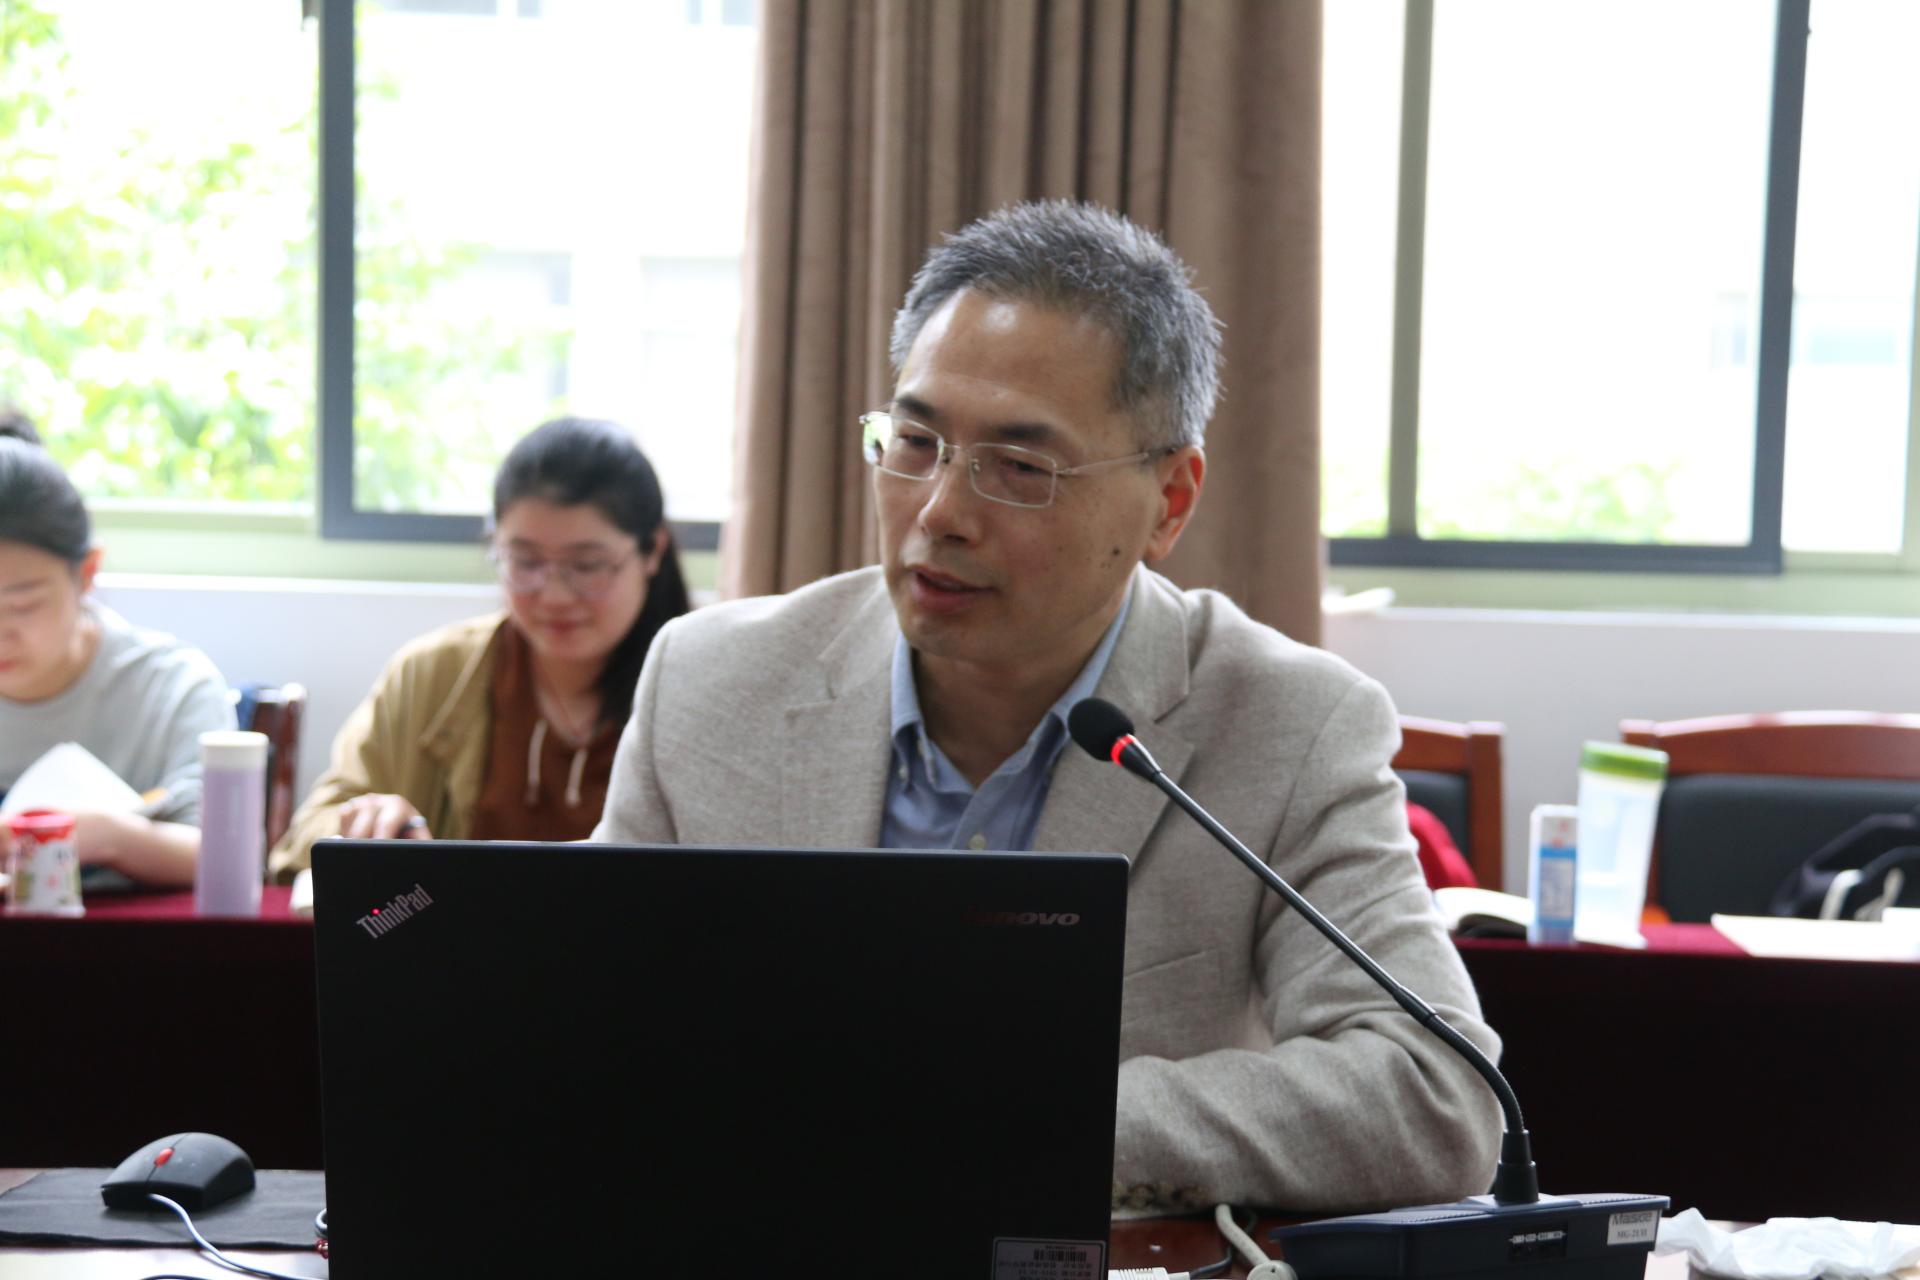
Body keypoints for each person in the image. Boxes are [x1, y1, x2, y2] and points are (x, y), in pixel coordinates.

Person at [593, 201, 1503, 1212]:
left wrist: (1030, 1118)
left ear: (1169, 501)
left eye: (1021, 468)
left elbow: (1436, 1093)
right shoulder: (710, 683)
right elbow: (582, 1026)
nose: (940, 511)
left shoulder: (1288, 724)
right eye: (915, 441)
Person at [269, 418, 690, 877]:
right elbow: (302, 842)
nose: (554, 596)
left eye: (587, 565)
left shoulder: (699, 688)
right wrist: (365, 825)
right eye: (525, 561)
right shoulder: (433, 675)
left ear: (652, 552)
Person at [0, 420, 236, 887]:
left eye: (21, 605)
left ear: (87, 573)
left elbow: (225, 858)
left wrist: (110, 837)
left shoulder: (172, 688)